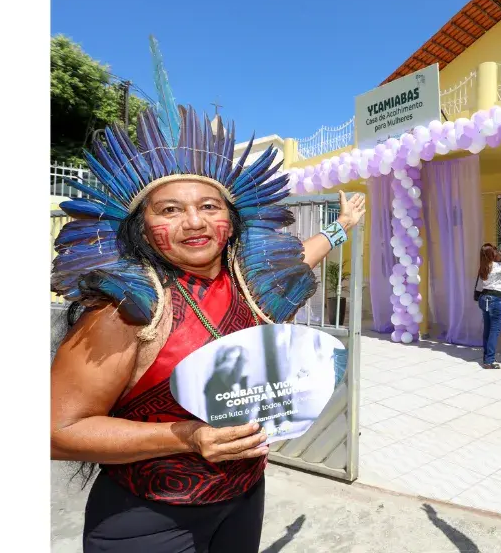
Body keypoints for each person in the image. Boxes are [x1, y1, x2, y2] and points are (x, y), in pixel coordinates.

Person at [50, 106, 366, 553]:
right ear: (142, 226)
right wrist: (187, 438)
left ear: (232, 219)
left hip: (243, 501)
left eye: (208, 206)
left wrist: (341, 228)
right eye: (170, 210)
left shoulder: (253, 287)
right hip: (149, 520)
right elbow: (56, 430)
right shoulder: (126, 309)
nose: (194, 222)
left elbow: (304, 256)